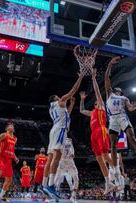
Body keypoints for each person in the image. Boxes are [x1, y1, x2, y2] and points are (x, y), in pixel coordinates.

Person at [104, 57, 136, 179]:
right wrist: (110, 65)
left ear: (121, 92)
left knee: (131, 138)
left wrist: (133, 108)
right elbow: (106, 78)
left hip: (122, 117)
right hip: (112, 119)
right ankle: (115, 169)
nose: (117, 90)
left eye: (119, 90)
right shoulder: (109, 94)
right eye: (116, 89)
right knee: (113, 145)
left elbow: (129, 108)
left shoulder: (124, 98)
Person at [42, 70, 85, 198]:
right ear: (56, 99)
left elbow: (66, 115)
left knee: (50, 158)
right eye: (58, 96)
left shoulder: (55, 108)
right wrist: (81, 77)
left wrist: (71, 105)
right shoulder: (60, 101)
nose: (60, 97)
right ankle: (50, 186)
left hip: (54, 130)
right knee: (57, 155)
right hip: (60, 130)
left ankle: (44, 185)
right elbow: (74, 89)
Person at [79, 68, 116, 195]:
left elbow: (96, 92)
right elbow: (81, 110)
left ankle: (118, 174)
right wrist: (82, 99)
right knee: (99, 159)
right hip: (94, 134)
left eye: (97, 101)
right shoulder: (92, 112)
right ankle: (108, 183)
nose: (96, 102)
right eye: (95, 102)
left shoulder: (101, 107)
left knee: (106, 156)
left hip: (102, 131)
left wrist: (94, 78)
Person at [54, 138, 79, 203]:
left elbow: (73, 154)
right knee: (55, 181)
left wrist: (72, 155)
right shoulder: (59, 140)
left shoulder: (70, 141)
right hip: (62, 164)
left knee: (76, 179)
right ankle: (53, 195)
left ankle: (73, 197)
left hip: (70, 163)